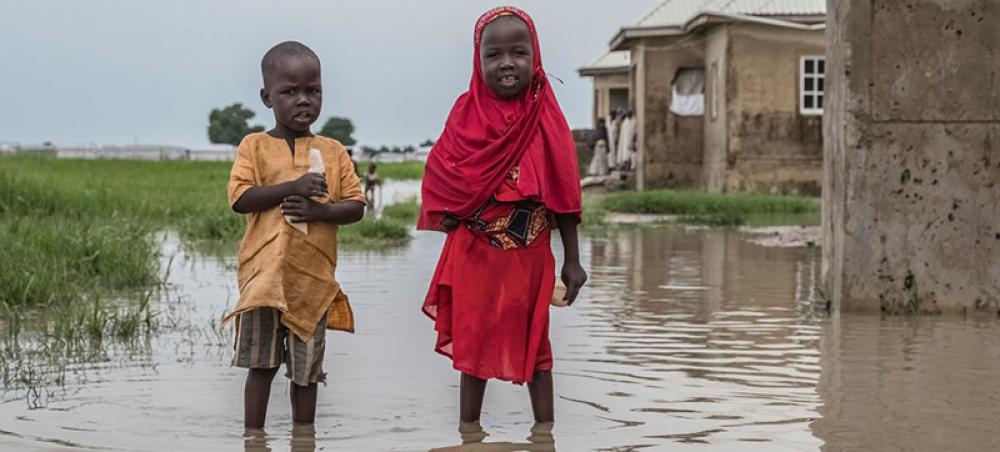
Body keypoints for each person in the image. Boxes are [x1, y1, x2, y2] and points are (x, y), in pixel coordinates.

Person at [418, 6, 588, 426]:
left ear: (536, 56)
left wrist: (572, 259)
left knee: (538, 347)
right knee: (473, 346)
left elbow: (564, 191)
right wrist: (456, 210)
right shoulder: (465, 112)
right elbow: (441, 174)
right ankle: (469, 433)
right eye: (493, 54)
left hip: (530, 253)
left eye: (518, 52)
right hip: (475, 252)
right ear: (478, 61)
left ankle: (544, 434)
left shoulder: (545, 113)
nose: (507, 63)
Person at [226, 41, 366, 431]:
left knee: (306, 374)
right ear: (266, 96)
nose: (303, 100)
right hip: (263, 282)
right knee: (261, 366)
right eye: (289, 92)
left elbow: (355, 205)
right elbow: (241, 199)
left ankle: (304, 438)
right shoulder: (253, 147)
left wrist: (321, 211)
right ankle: (253, 437)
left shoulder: (334, 151)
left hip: (312, 284)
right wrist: (294, 186)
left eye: (313, 90)